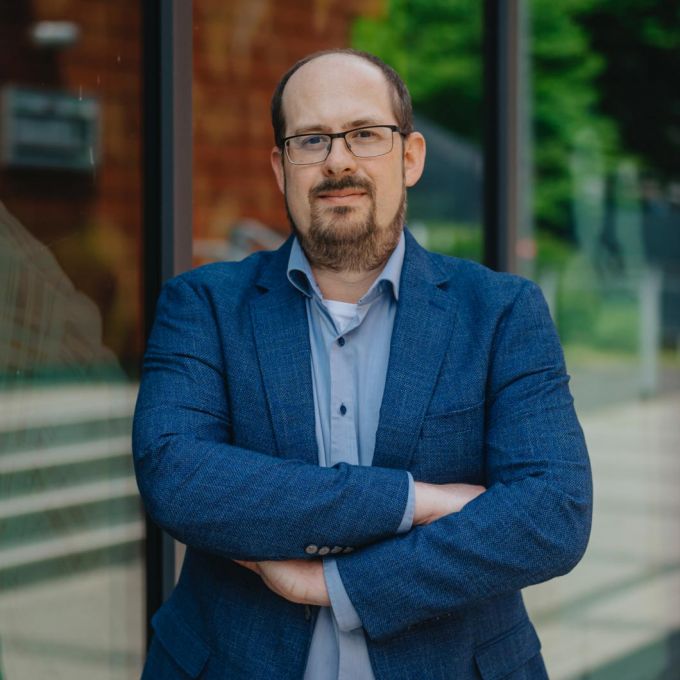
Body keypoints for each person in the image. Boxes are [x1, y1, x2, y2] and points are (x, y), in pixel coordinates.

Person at [133, 49, 592, 680]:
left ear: (411, 157)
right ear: (280, 167)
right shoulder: (203, 305)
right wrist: (415, 500)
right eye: (311, 139)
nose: (338, 160)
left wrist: (334, 584)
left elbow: (553, 514)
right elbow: (177, 477)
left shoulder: (502, 312)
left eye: (365, 134)